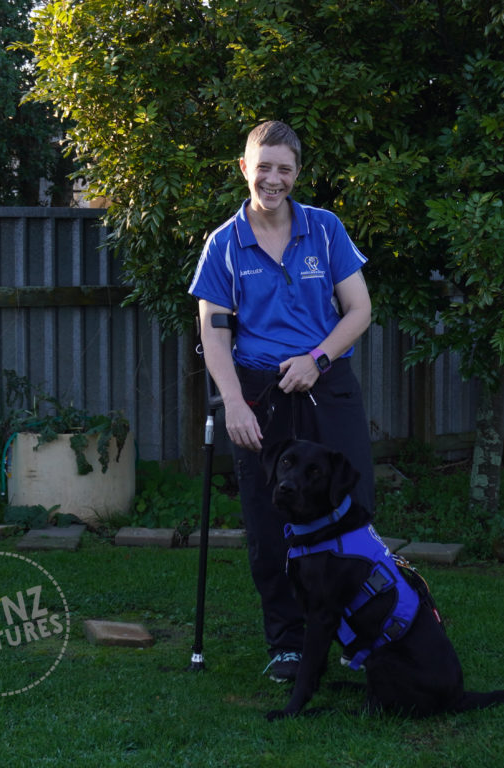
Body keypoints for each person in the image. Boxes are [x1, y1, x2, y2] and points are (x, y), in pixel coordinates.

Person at [188, 120, 375, 682]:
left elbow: (359, 310)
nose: (273, 178)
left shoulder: (325, 229)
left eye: (284, 169)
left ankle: (357, 630)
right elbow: (214, 334)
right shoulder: (223, 244)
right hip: (259, 393)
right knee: (270, 519)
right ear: (245, 167)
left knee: (353, 505)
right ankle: (289, 642)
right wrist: (235, 405)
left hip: (327, 384)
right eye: (263, 166)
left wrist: (317, 359)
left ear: (297, 173)